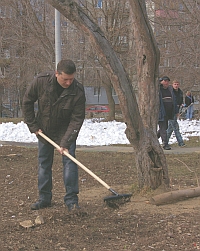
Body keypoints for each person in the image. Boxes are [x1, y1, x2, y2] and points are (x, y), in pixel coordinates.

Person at [22, 59, 86, 211]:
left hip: (66, 131)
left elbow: (77, 119)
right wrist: (33, 125)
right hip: (44, 130)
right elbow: (27, 101)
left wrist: (66, 142)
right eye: (65, 79)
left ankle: (71, 200)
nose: (69, 82)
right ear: (57, 73)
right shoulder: (41, 82)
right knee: (44, 164)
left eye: (71, 79)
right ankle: (44, 198)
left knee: (70, 164)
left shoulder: (78, 91)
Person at [157, 76, 178, 150]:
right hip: (161, 112)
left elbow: (174, 100)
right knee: (163, 128)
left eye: (167, 81)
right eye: (164, 81)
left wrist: (176, 111)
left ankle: (154, 137)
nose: (166, 82)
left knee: (164, 127)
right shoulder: (158, 90)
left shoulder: (170, 90)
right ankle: (165, 144)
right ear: (161, 81)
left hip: (169, 113)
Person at [166, 80, 185, 147]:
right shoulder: (170, 92)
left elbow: (180, 101)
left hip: (177, 110)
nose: (176, 86)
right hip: (171, 111)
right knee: (175, 127)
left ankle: (165, 141)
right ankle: (181, 142)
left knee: (170, 128)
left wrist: (181, 105)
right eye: (175, 84)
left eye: (177, 84)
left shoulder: (180, 92)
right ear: (172, 85)